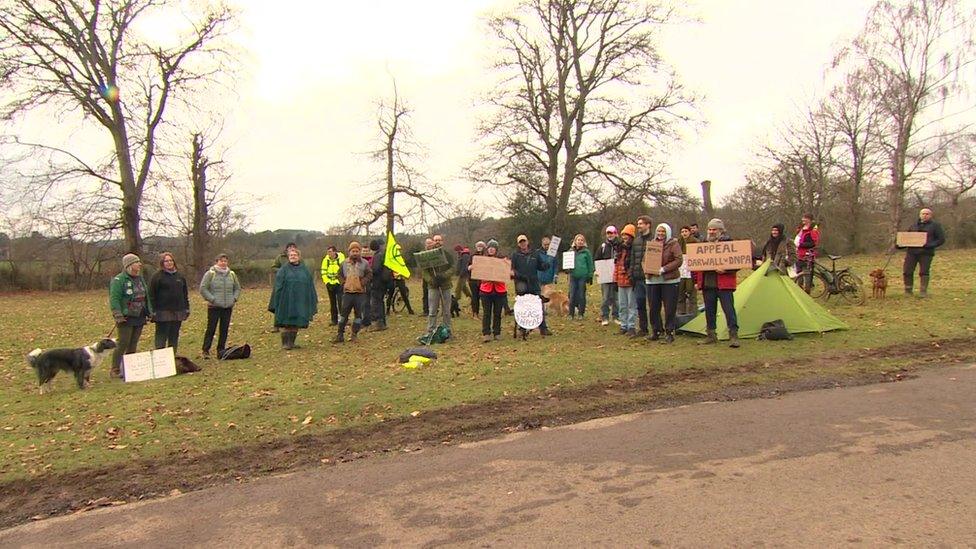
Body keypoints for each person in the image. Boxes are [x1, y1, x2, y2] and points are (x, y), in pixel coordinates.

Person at [694, 219, 740, 348]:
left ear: (721, 230)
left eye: (714, 229)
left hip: (724, 284)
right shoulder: (703, 244)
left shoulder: (729, 244)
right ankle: (711, 335)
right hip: (708, 284)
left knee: (729, 310)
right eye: (710, 229)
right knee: (709, 311)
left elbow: (739, 262)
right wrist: (697, 281)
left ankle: (733, 335)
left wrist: (726, 269)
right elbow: (697, 263)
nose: (711, 232)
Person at [109, 253, 153, 378]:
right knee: (123, 342)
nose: (139, 264)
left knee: (133, 342)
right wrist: (117, 314)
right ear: (129, 265)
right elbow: (114, 298)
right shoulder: (119, 280)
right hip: (126, 317)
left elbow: (146, 296)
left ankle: (130, 368)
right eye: (136, 262)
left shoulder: (140, 278)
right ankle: (115, 369)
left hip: (139, 315)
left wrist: (149, 311)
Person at [270, 246, 317, 349]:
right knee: (287, 322)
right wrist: (277, 299)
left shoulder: (304, 270)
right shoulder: (283, 269)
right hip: (286, 300)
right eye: (291, 255)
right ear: (288, 257)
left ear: (299, 257)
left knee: (296, 322)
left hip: (300, 300)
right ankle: (285, 343)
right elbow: (278, 285)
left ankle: (292, 342)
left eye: (295, 255)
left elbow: (309, 284)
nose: (293, 257)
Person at [645, 224, 682, 343]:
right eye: (659, 231)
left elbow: (678, 260)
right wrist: (647, 270)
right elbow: (646, 259)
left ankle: (670, 331)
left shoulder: (673, 244)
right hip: (653, 280)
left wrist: (664, 269)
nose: (660, 234)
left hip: (669, 280)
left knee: (669, 307)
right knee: (653, 307)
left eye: (663, 232)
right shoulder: (652, 244)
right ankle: (656, 330)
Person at [511, 234, 554, 336]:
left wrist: (548, 262)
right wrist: (520, 276)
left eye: (524, 241)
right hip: (521, 285)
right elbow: (512, 271)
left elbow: (541, 266)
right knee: (523, 307)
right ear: (518, 244)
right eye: (520, 242)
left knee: (539, 306)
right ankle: (522, 328)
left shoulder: (535, 254)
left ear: (527, 242)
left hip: (534, 284)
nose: (523, 244)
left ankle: (543, 328)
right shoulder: (515, 255)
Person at [200, 253, 241, 359]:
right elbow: (203, 288)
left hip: (228, 306)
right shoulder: (210, 274)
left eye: (225, 261)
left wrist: (234, 298)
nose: (223, 263)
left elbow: (237, 288)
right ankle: (206, 350)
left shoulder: (231, 274)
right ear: (216, 262)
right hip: (214, 307)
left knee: (224, 328)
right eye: (221, 261)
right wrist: (212, 299)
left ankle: (221, 350)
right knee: (211, 328)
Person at [148, 252, 189, 353]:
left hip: (178, 311)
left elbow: (184, 294)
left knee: (174, 336)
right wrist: (152, 310)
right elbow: (151, 295)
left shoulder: (180, 276)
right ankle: (160, 359)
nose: (169, 263)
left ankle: (172, 357)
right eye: (166, 261)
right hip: (162, 311)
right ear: (162, 263)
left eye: (171, 260)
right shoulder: (157, 277)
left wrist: (186, 308)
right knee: (161, 336)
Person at [901, 207, 947, 297]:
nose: (925, 215)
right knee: (907, 271)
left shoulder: (936, 226)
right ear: (920, 215)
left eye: (927, 214)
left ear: (930, 215)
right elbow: (906, 238)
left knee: (924, 272)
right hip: (912, 252)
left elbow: (941, 239)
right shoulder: (913, 225)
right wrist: (899, 244)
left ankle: (923, 291)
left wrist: (930, 245)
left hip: (926, 253)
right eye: (923, 214)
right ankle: (908, 290)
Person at [333, 241, 372, 343]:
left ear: (359, 252)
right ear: (349, 252)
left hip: (360, 293)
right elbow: (339, 274)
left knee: (358, 315)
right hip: (347, 293)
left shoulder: (365, 263)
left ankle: (354, 334)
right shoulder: (344, 263)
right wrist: (344, 283)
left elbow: (369, 274)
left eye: (357, 251)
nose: (355, 253)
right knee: (343, 315)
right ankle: (340, 334)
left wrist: (362, 283)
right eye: (353, 251)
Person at [421, 234, 455, 336]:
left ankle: (447, 330)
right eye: (436, 240)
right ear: (433, 241)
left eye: (439, 240)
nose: (437, 242)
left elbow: (453, 268)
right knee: (432, 310)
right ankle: (430, 331)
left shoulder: (447, 255)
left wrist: (444, 275)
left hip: (446, 286)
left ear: (442, 242)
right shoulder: (427, 255)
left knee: (446, 310)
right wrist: (431, 280)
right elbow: (424, 271)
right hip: (433, 287)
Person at [628, 215, 653, 337]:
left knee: (653, 304)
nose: (639, 226)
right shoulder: (636, 241)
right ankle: (643, 329)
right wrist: (631, 273)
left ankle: (656, 329)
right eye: (638, 224)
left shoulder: (654, 240)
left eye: (641, 224)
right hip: (638, 278)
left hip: (650, 278)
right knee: (640, 304)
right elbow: (633, 259)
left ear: (648, 225)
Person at [478, 239, 506, 342]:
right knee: (486, 313)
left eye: (493, 248)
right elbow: (479, 274)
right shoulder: (482, 261)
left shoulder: (503, 260)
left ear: (496, 249)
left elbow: (506, 274)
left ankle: (497, 332)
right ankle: (486, 333)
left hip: (499, 290)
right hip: (486, 290)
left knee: (497, 313)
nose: (491, 249)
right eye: (489, 248)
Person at [268, 242, 298, 333]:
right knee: (278, 305)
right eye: (290, 247)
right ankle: (276, 325)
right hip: (281, 285)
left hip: (293, 286)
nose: (292, 249)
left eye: (294, 247)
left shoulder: (298, 258)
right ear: (287, 249)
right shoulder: (280, 258)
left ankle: (290, 324)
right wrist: (282, 271)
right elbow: (273, 268)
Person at [614, 224, 637, 337]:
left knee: (631, 305)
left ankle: (631, 326)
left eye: (627, 235)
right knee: (622, 305)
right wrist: (615, 280)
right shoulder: (619, 249)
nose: (624, 237)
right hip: (620, 281)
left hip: (630, 281)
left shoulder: (633, 249)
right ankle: (623, 325)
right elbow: (616, 265)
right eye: (623, 235)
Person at [595, 226, 619, 326]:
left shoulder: (620, 245)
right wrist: (597, 270)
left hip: (617, 275)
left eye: (612, 233)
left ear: (616, 234)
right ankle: (605, 317)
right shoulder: (603, 246)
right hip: (605, 276)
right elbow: (597, 259)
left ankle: (616, 316)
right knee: (605, 298)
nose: (610, 235)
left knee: (616, 298)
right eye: (608, 233)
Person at [567, 233, 595, 320]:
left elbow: (590, 264)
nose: (580, 242)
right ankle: (571, 313)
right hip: (573, 276)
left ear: (584, 242)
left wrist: (590, 276)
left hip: (582, 276)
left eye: (582, 240)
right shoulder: (570, 251)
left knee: (581, 295)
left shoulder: (587, 252)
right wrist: (567, 269)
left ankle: (581, 313)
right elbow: (567, 263)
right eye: (578, 240)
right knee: (572, 295)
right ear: (575, 241)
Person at [368, 239, 392, 331]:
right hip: (382, 282)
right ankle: (382, 322)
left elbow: (376, 269)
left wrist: (369, 270)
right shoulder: (383, 254)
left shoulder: (378, 256)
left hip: (377, 283)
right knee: (380, 302)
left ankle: (379, 323)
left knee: (376, 303)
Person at [794, 213, 820, 293]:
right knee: (798, 274)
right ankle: (799, 290)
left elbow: (813, 243)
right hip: (799, 255)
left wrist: (800, 244)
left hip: (807, 256)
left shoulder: (813, 230)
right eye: (803, 218)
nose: (803, 219)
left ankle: (807, 291)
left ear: (809, 219)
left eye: (805, 218)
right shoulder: (801, 229)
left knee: (807, 275)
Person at [320, 246, 345, 326]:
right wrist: (327, 282)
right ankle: (334, 320)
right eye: (328, 252)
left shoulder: (341, 259)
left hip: (339, 284)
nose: (329, 254)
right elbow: (323, 272)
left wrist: (340, 282)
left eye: (330, 251)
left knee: (341, 302)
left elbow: (343, 271)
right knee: (332, 303)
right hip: (330, 284)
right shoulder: (325, 260)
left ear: (335, 252)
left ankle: (343, 319)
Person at [677, 226, 698, 316]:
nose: (684, 233)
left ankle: (692, 313)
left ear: (689, 232)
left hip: (691, 272)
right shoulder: (678, 243)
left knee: (691, 292)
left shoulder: (695, 242)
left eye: (686, 231)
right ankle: (681, 312)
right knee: (680, 293)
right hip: (681, 271)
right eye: (682, 231)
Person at [454, 244, 474, 315]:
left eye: (457, 251)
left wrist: (461, 273)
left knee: (458, 288)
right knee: (464, 287)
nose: (457, 252)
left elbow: (464, 266)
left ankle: (455, 301)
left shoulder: (465, 255)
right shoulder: (461, 255)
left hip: (463, 274)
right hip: (461, 274)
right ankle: (472, 297)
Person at [469, 240, 486, 316]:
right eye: (478, 246)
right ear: (476, 247)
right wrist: (469, 267)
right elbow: (467, 267)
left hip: (483, 280)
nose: (480, 248)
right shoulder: (472, 256)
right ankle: (475, 312)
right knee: (475, 296)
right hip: (473, 280)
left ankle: (486, 312)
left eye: (481, 246)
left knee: (484, 296)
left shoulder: (486, 256)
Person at [421, 238, 433, 316]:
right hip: (425, 277)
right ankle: (425, 310)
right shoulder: (422, 254)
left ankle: (433, 309)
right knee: (425, 294)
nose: (428, 245)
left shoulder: (435, 253)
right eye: (427, 243)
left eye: (430, 243)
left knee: (432, 295)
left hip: (433, 277)